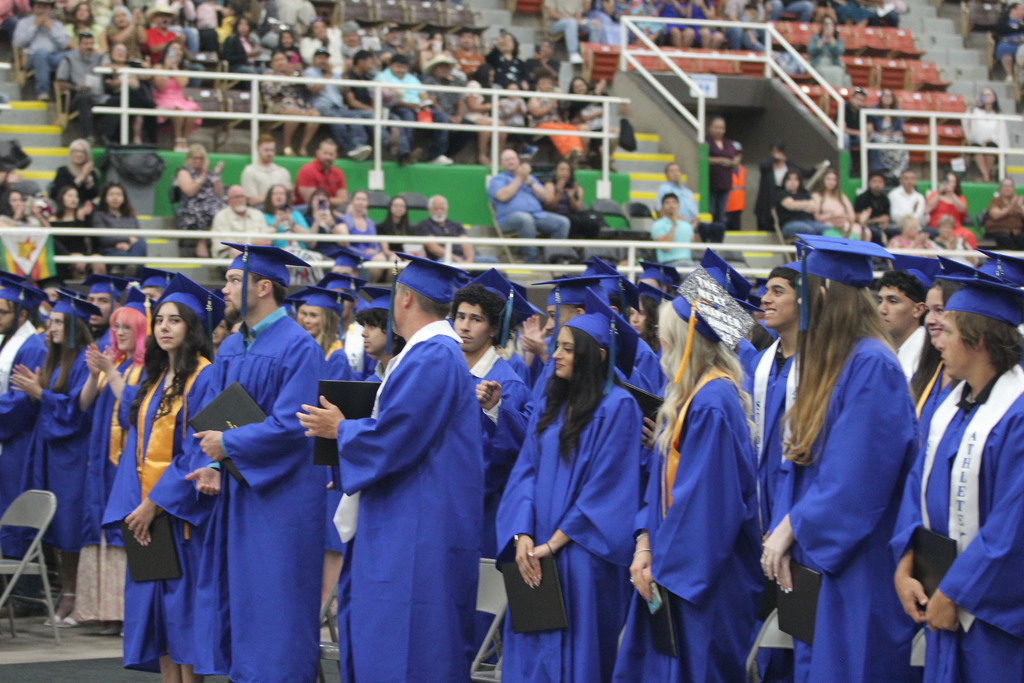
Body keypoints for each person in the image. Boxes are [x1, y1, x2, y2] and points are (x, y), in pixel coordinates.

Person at [297, 254, 484, 683]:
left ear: (404, 299)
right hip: (405, 520)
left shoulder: (433, 356)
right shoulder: (426, 354)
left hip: (415, 528)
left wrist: (341, 430)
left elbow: (396, 436)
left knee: (409, 648)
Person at [761, 235, 917, 682]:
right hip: (820, 556)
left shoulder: (873, 365)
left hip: (856, 562)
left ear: (824, 294)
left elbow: (857, 478)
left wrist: (792, 526)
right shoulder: (835, 362)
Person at [184, 244, 324, 681]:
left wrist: (228, 444)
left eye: (231, 280)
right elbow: (218, 413)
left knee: (277, 604)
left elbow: (293, 425)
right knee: (242, 601)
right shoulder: (230, 348)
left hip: (282, 500)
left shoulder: (299, 347)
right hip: (239, 493)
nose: (222, 288)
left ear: (263, 287)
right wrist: (211, 460)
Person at [615, 274, 761, 682]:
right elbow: (662, 489)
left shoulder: (714, 403)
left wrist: (664, 566)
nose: (661, 342)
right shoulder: (692, 397)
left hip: (702, 583)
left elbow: (709, 508)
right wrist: (645, 541)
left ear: (687, 341)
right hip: (671, 569)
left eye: (667, 334)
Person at [891, 274, 1024, 681]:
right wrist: (905, 566)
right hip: (940, 595)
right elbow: (916, 487)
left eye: (947, 331)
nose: (937, 341)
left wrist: (955, 591)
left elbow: (1012, 525)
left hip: (989, 616)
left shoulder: (1015, 417)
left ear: (978, 340)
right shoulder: (950, 408)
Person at [102, 275, 221, 679]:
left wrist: (155, 503)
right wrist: (134, 506)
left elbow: (197, 448)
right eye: (160, 320)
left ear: (192, 327)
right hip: (146, 514)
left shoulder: (205, 376)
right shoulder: (154, 378)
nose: (164, 327)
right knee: (161, 624)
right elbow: (136, 444)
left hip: (181, 515)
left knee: (184, 616)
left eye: (175, 320)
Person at [11, 291, 97, 625]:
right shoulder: (54, 359)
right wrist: (37, 390)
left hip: (73, 455)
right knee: (57, 529)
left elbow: (76, 412)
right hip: (51, 451)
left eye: (59, 322)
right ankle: (67, 593)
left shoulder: (81, 361)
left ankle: (73, 595)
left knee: (70, 526)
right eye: (51, 321)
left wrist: (39, 393)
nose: (52, 327)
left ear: (75, 326)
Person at [71, 291, 147, 633]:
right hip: (100, 461)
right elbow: (83, 404)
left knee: (120, 528)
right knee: (99, 525)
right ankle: (99, 608)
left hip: (126, 462)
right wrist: (93, 374)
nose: (118, 332)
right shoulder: (113, 364)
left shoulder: (144, 370)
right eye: (115, 326)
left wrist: (110, 372)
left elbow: (133, 410)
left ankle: (121, 612)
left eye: (126, 327)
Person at [452, 270, 533, 558]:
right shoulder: (447, 370)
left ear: (493, 329)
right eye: (460, 316)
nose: (464, 326)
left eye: (476, 319)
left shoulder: (504, 381)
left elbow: (511, 451)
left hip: (479, 506)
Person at [0, 279, 48, 559]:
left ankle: (24, 594)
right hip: (9, 441)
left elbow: (21, 400)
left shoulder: (33, 347)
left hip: (18, 443)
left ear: (22, 314)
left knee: (12, 508)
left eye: (3, 312)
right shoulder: (9, 340)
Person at [487, 148, 571, 264]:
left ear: (518, 161)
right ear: (502, 164)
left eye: (513, 159)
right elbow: (503, 196)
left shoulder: (530, 178)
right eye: (507, 160)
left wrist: (531, 183)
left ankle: (554, 258)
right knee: (525, 219)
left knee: (563, 222)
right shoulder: (497, 179)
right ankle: (532, 261)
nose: (511, 161)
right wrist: (519, 179)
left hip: (537, 215)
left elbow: (546, 197)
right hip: (508, 219)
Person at [374, 54, 454, 166]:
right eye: (398, 67)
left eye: (404, 67)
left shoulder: (411, 78)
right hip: (397, 107)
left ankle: (436, 155)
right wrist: (412, 105)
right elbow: (392, 99)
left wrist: (424, 104)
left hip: (418, 108)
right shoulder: (382, 77)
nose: (401, 70)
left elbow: (423, 94)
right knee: (408, 116)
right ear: (390, 66)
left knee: (441, 117)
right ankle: (407, 153)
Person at [303, 48, 373, 161]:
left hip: (338, 106)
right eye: (320, 58)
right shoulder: (309, 72)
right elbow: (314, 90)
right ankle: (348, 150)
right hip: (321, 107)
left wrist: (345, 73)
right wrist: (328, 74)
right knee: (337, 119)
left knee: (355, 117)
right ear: (314, 60)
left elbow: (344, 91)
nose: (323, 61)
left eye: (325, 58)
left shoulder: (335, 74)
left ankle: (359, 145)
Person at [261, 51, 319, 158]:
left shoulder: (294, 73)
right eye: (277, 60)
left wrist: (298, 72)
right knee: (293, 112)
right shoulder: (269, 74)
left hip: (299, 105)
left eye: (282, 59)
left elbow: (307, 86)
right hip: (277, 105)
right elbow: (271, 91)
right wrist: (284, 78)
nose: (280, 62)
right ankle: (286, 147)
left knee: (315, 114)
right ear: (272, 63)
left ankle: (303, 148)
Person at [13, 0, 70, 100]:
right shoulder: (24, 23)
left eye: (45, 7)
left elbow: (64, 44)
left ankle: (69, 90)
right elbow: (18, 43)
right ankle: (42, 92)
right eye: (39, 6)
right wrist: (34, 27)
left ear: (50, 9)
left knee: (73, 55)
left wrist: (51, 28)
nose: (42, 10)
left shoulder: (57, 24)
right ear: (33, 8)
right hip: (32, 56)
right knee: (41, 53)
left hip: (54, 56)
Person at [174, 144, 224, 257]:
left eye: (200, 158)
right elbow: (190, 191)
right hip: (191, 205)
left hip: (212, 203)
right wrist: (203, 175)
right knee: (206, 211)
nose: (198, 161)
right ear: (188, 159)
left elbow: (219, 194)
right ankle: (202, 242)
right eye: (194, 158)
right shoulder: (183, 172)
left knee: (223, 211)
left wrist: (216, 175)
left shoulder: (211, 173)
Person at [879, 267, 928, 381]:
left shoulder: (925, 357)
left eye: (893, 301)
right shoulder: (884, 348)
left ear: (918, 310)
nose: (882, 309)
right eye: (880, 301)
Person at [754, 143, 816, 233]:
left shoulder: (788, 164)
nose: (777, 155)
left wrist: (816, 168)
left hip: (787, 194)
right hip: (769, 197)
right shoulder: (768, 166)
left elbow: (805, 173)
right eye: (774, 152)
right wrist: (774, 158)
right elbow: (762, 165)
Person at [53, 30, 103, 141]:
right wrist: (76, 87)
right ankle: (88, 135)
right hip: (78, 95)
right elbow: (60, 83)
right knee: (84, 98)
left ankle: (109, 138)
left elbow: (108, 64)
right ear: (78, 45)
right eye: (86, 44)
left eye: (91, 44)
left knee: (118, 101)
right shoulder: (68, 59)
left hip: (99, 95)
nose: (89, 47)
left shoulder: (99, 58)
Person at [150, 43, 201, 153]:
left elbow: (182, 83)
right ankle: (177, 139)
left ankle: (184, 140)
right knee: (177, 108)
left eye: (179, 50)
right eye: (174, 50)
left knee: (192, 108)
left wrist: (174, 68)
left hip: (179, 98)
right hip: (163, 98)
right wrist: (166, 69)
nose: (177, 52)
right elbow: (160, 86)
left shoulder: (183, 70)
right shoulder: (158, 67)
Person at [658, 161, 724, 243]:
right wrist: (688, 224)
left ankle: (713, 253)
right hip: (678, 223)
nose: (675, 173)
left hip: (693, 223)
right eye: (672, 171)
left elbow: (695, 213)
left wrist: (695, 223)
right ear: (667, 175)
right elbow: (662, 211)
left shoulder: (687, 192)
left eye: (677, 171)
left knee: (719, 227)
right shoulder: (664, 189)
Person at [414, 194, 487, 264]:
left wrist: (469, 261)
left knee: (492, 261)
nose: (439, 211)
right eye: (436, 209)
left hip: (464, 258)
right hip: (442, 260)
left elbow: (466, 242)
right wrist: (456, 259)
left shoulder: (456, 225)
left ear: (446, 209)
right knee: (444, 264)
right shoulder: (424, 225)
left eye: (442, 208)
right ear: (430, 209)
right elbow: (433, 247)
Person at [352, 286, 404, 381]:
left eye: (372, 326)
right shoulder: (373, 380)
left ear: (394, 329)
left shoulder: (407, 377)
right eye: (364, 326)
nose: (363, 334)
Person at [211, 185, 273, 259]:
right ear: (229, 201)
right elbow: (228, 244)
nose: (240, 200)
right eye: (236, 197)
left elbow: (265, 239)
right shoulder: (221, 216)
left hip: (257, 252)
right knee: (237, 252)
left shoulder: (257, 214)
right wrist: (251, 244)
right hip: (231, 255)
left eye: (242, 197)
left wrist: (247, 244)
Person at [91, 182, 146, 260]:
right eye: (111, 195)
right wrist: (127, 239)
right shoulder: (99, 215)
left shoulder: (130, 215)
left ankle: (133, 266)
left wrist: (129, 245)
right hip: (110, 251)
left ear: (124, 198)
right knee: (127, 257)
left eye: (118, 195)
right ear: (105, 198)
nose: (115, 197)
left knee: (141, 242)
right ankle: (134, 266)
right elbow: (103, 238)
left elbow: (137, 236)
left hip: (131, 249)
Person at [964, 88, 1008, 183]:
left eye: (989, 94)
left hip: (992, 142)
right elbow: (967, 124)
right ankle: (987, 176)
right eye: (984, 95)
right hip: (977, 142)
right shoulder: (975, 112)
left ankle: (985, 176)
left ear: (995, 98)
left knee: (991, 146)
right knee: (976, 147)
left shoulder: (998, 114)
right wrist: (972, 106)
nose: (987, 97)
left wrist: (992, 140)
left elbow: (1002, 133)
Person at [776, 170, 831, 239]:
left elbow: (813, 207)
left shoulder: (804, 193)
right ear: (784, 181)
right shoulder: (781, 193)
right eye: (789, 179)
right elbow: (791, 206)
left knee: (830, 230)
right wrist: (805, 204)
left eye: (796, 179)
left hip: (809, 221)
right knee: (807, 230)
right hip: (789, 223)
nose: (792, 182)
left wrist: (797, 204)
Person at [294, 138, 348, 208]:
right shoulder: (307, 170)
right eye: (325, 153)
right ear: (318, 153)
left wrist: (326, 203)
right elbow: (311, 201)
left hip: (329, 209)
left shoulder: (338, 173)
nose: (328, 157)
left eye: (331, 154)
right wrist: (333, 203)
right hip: (305, 210)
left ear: (336, 156)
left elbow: (343, 199)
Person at [240, 134, 293, 206]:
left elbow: (291, 197)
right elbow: (251, 200)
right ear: (258, 149)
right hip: (260, 210)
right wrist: (276, 198)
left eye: (272, 150)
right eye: (266, 150)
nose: (270, 153)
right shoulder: (249, 171)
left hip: (282, 209)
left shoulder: (283, 171)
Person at [868, 88, 908, 182]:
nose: (887, 98)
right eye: (885, 95)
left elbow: (900, 130)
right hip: (878, 135)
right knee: (877, 140)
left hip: (892, 137)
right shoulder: (874, 109)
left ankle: (896, 174)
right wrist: (882, 134)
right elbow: (870, 128)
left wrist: (892, 135)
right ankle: (880, 170)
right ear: (881, 97)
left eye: (889, 96)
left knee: (901, 142)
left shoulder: (897, 112)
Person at [812, 167, 863, 239]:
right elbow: (816, 217)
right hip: (828, 224)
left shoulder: (841, 196)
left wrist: (843, 217)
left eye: (834, 180)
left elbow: (851, 215)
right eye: (828, 179)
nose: (831, 182)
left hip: (844, 223)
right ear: (823, 180)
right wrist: (833, 215)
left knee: (863, 230)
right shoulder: (817, 196)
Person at [706, 116, 738, 226]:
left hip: (725, 183)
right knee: (711, 210)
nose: (719, 131)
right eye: (716, 128)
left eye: (722, 128)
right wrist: (719, 160)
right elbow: (703, 157)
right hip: (711, 183)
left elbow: (735, 157)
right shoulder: (707, 141)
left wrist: (732, 162)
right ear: (711, 128)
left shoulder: (728, 142)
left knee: (721, 212)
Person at [83, 274, 128, 352]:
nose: (94, 305)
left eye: (103, 301)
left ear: (116, 307)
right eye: (90, 300)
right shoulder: (83, 336)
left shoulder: (114, 343)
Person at [651, 192, 696, 266]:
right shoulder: (658, 225)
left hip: (689, 263)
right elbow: (665, 248)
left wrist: (695, 228)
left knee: (709, 273)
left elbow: (696, 248)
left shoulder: (686, 225)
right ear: (662, 206)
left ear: (678, 205)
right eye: (667, 203)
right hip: (668, 264)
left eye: (674, 202)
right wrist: (673, 226)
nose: (671, 205)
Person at [262, 183, 312, 249]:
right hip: (279, 252)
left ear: (286, 197)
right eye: (275, 194)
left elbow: (310, 239)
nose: (279, 196)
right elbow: (264, 241)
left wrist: (292, 224)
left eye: (282, 194)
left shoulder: (296, 214)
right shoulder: (264, 216)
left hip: (300, 251)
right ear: (270, 198)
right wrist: (276, 224)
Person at [52, 137, 99, 206]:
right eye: (76, 151)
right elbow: (61, 193)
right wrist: (82, 176)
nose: (79, 154)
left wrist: (88, 180)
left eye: (83, 152)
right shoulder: (63, 171)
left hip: (85, 207)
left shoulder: (92, 173)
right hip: (64, 207)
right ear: (71, 154)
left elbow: (93, 195)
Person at [985, 177, 1024, 250]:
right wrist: (1010, 206)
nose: (1007, 188)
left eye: (1010, 186)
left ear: (1014, 189)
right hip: (997, 230)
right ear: (1000, 189)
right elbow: (995, 215)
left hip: (1016, 231)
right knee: (1005, 239)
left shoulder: (1020, 201)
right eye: (1005, 186)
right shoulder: (995, 201)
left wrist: (1021, 207)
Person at [854, 172, 892, 244]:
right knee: (875, 232)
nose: (877, 184)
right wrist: (875, 220)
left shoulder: (885, 199)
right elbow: (858, 218)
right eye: (874, 181)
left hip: (881, 226)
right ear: (869, 183)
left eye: (880, 182)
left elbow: (886, 217)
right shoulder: (861, 198)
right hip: (865, 226)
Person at [994, 3, 1024, 83]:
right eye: (1021, 9)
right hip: (1007, 42)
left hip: (1022, 43)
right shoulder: (1003, 20)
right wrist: (1017, 29)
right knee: (1005, 49)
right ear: (1013, 10)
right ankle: (1009, 74)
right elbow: (1001, 30)